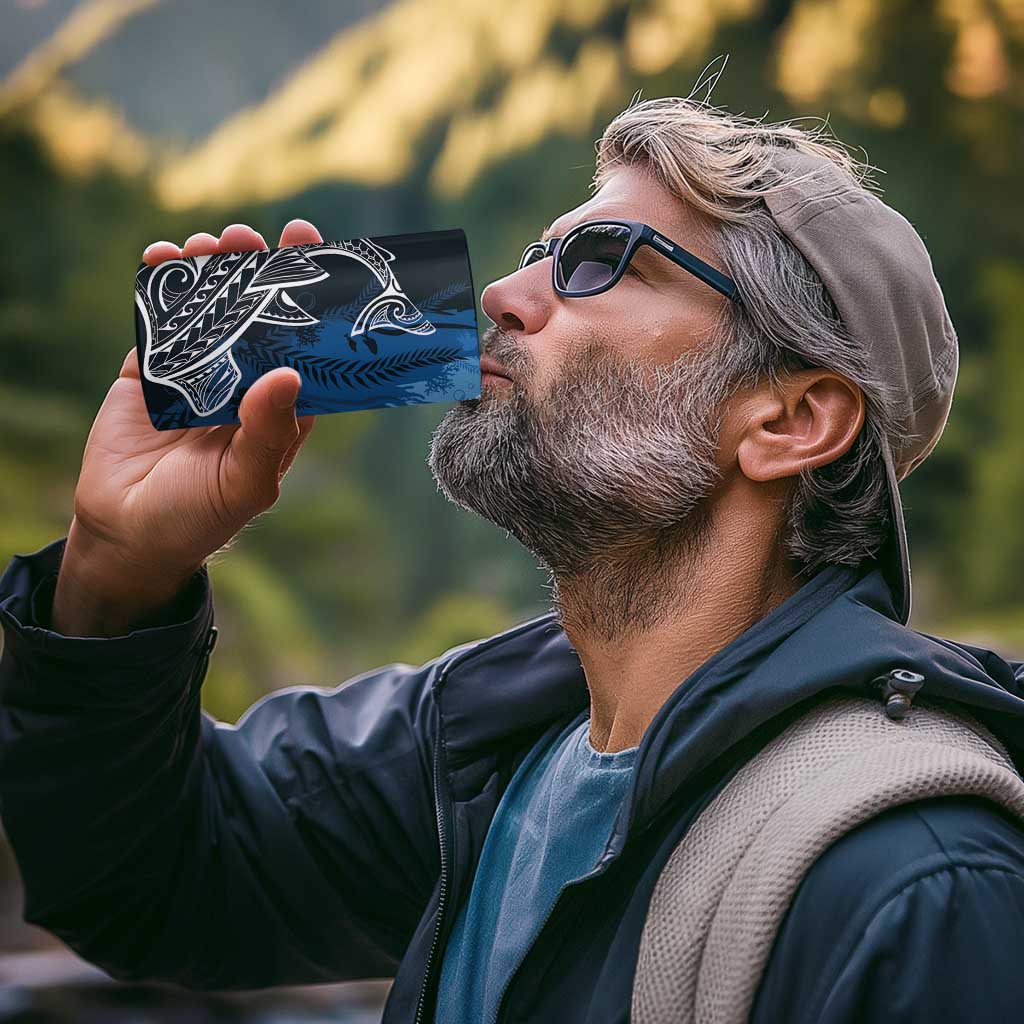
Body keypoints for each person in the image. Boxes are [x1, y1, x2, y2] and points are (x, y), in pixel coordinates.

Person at [2, 93, 1024, 1024]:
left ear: (791, 419)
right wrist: (116, 570)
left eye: (599, 262)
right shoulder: (480, 748)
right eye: (539, 252)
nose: (501, 291)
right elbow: (148, 879)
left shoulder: (918, 883)